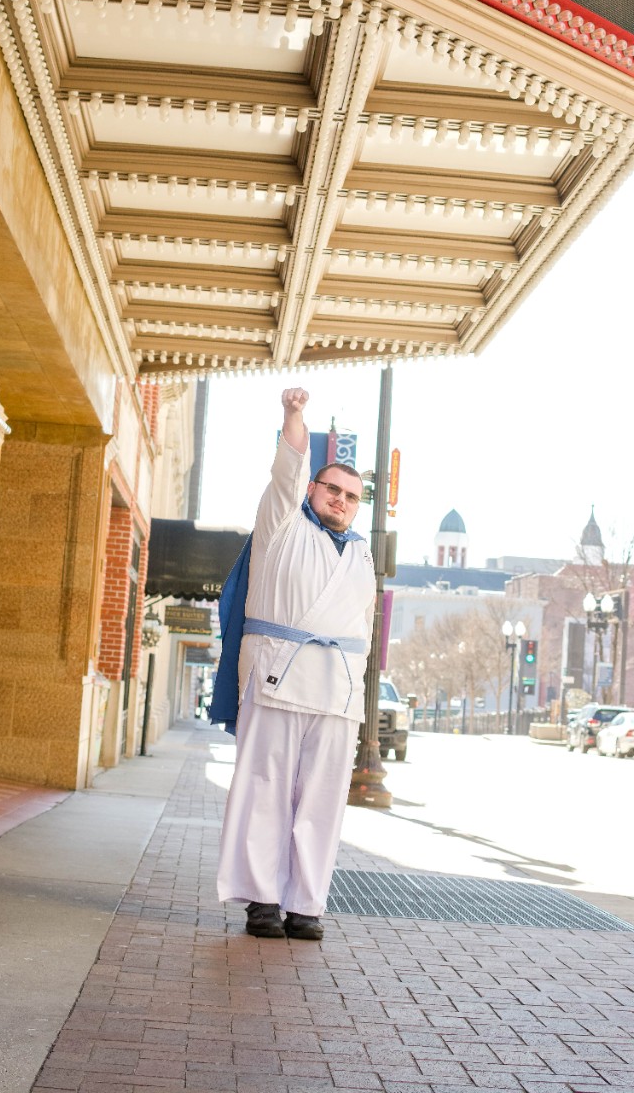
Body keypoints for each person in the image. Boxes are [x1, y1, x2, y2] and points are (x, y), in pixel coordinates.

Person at [216, 388, 375, 939]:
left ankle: (306, 903)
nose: (341, 500)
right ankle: (261, 901)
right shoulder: (281, 523)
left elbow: (362, 625)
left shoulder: (361, 551)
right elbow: (285, 471)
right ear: (312, 489)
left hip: (337, 694)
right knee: (264, 790)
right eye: (332, 489)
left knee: (324, 801)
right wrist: (294, 418)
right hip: (276, 676)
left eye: (352, 496)